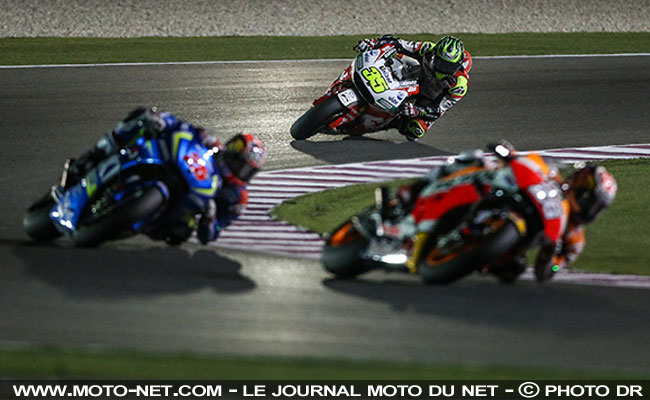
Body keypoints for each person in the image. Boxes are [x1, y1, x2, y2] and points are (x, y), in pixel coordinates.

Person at [380, 142, 617, 281]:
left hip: (507, 248)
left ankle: (464, 253)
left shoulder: (574, 238)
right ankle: (409, 194)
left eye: (594, 203)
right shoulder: (553, 178)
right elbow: (531, 163)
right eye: (588, 195)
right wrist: (509, 155)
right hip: (508, 201)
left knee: (515, 269)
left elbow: (548, 271)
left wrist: (552, 259)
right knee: (473, 160)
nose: (587, 204)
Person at [61, 107, 267, 245]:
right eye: (236, 158)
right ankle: (92, 156)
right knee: (145, 118)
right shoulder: (212, 146)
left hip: (180, 209)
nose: (235, 166)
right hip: (174, 169)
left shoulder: (236, 198)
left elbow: (210, 235)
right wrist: (163, 120)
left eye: (244, 168)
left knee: (180, 231)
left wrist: (210, 217)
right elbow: (187, 129)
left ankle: (131, 221)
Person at [353, 34, 472, 141]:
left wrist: (417, 111)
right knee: (393, 56)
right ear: (434, 55)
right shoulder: (427, 49)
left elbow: (438, 110)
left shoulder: (459, 86)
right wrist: (373, 42)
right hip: (416, 75)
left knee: (415, 131)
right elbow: (400, 43)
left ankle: (393, 122)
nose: (443, 69)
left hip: (431, 96)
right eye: (440, 63)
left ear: (457, 65)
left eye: (448, 66)